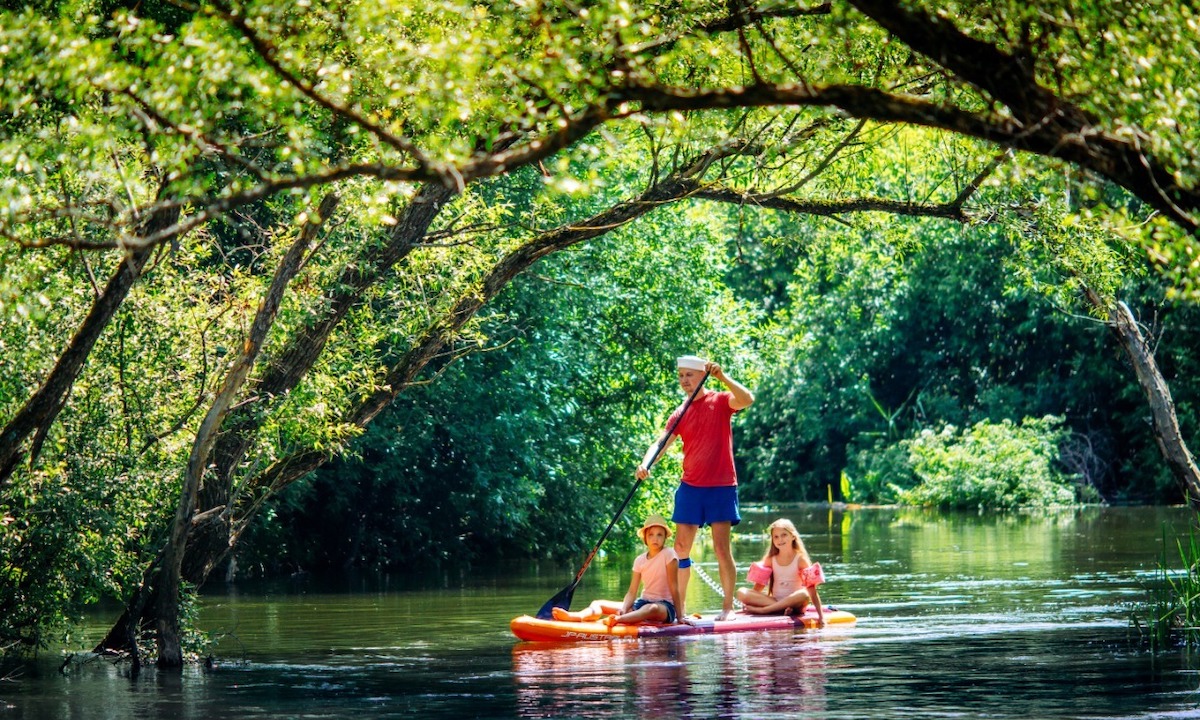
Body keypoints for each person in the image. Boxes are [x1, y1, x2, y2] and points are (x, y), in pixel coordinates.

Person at [635, 355, 755, 622]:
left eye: (689, 375)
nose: (684, 381)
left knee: (722, 549)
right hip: (691, 486)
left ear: (702, 375)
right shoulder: (679, 413)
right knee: (680, 548)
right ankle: (681, 612)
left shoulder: (721, 400)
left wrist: (722, 377)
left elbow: (747, 399)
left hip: (722, 486)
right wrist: (645, 463)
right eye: (680, 376)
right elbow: (661, 443)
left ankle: (727, 607)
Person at [552, 514, 682, 626]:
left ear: (665, 537)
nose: (655, 538)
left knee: (651, 608)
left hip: (664, 607)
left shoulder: (669, 554)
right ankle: (578, 616)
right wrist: (624, 608)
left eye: (660, 535)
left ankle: (619, 620)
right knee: (599, 603)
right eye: (651, 534)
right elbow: (632, 592)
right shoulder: (639, 560)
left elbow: (674, 587)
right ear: (645, 538)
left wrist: (680, 616)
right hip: (642, 603)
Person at [735, 518, 826, 626]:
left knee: (804, 594)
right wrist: (749, 601)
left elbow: (811, 590)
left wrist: (821, 616)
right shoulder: (770, 559)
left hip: (796, 603)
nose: (780, 539)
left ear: (793, 536)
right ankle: (780, 609)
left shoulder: (800, 560)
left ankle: (765, 610)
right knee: (741, 592)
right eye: (776, 537)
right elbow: (758, 588)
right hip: (774, 601)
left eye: (784, 535)